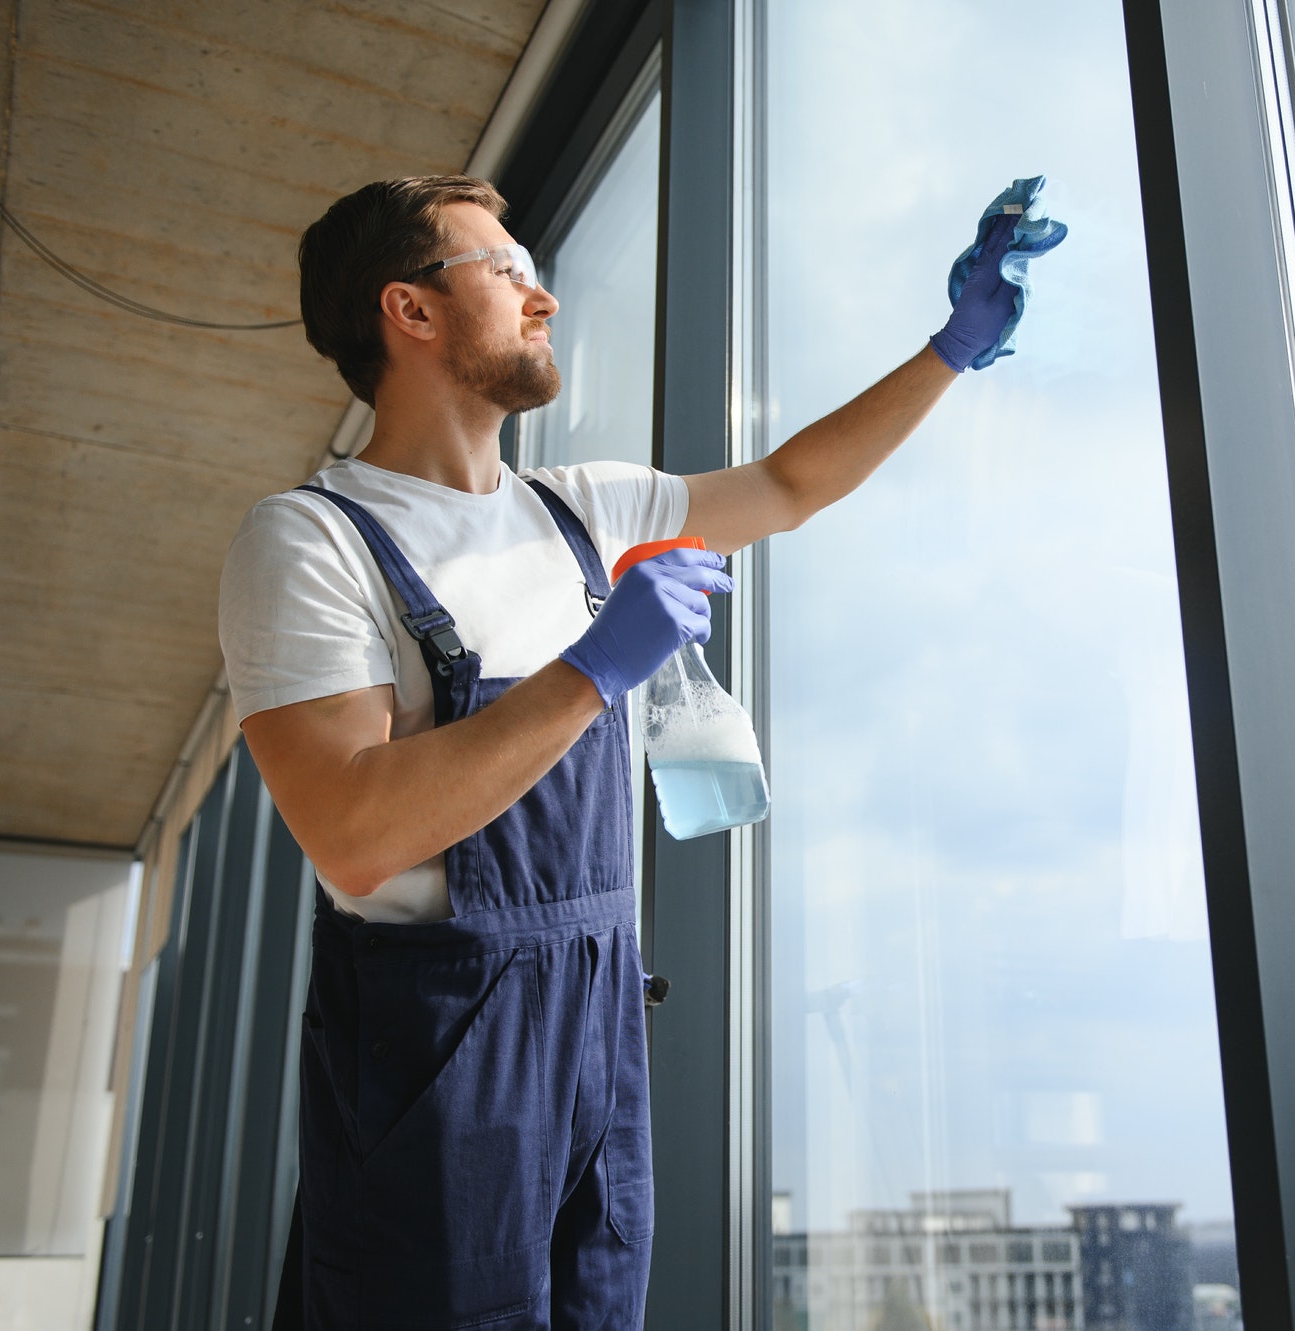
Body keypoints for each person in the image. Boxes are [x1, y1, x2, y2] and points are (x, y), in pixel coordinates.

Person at [218, 174, 1045, 1330]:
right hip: (441, 1052)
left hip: (600, 1023)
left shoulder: (581, 510)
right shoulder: (311, 540)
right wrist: (595, 668)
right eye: (506, 271)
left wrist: (948, 349)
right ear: (409, 311)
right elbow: (354, 834)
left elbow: (791, 485)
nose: (542, 296)